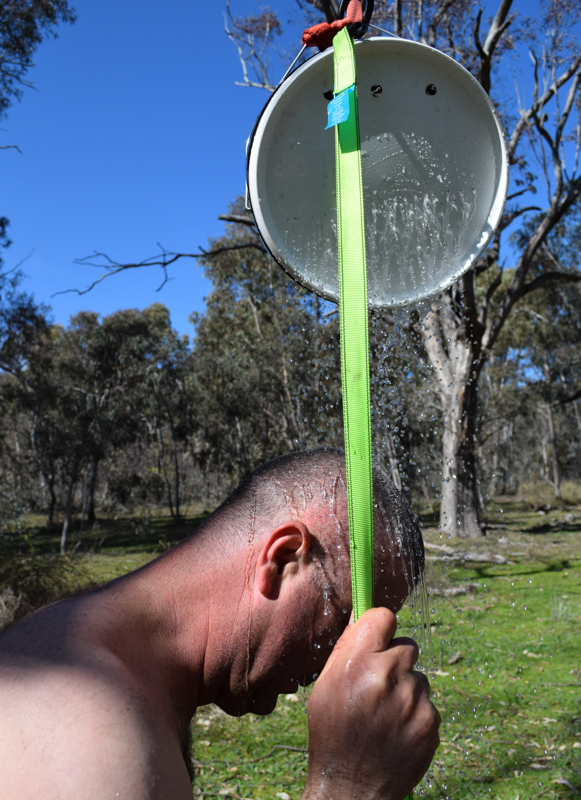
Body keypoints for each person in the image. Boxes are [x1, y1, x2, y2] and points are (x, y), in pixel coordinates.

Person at [0, 448, 440, 800]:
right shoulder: (92, 744)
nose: (340, 662)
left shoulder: (83, 640)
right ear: (285, 558)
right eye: (344, 622)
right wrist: (348, 785)